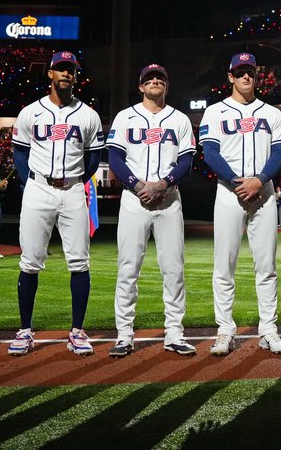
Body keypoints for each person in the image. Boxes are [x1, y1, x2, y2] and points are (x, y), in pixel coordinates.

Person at [9, 50, 104, 357]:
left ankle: (77, 331)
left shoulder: (88, 114)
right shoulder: (29, 112)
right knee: (30, 261)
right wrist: (30, 182)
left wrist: (74, 180)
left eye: (71, 70)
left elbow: (93, 158)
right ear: (49, 74)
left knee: (79, 261)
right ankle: (25, 330)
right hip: (38, 188)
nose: (66, 74)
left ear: (76, 76)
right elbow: (20, 152)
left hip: (73, 189)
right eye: (61, 69)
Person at [200, 52, 281, 356]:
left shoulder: (273, 113)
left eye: (250, 71)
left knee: (266, 265)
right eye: (240, 72)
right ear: (230, 77)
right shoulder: (215, 112)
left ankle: (268, 330)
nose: (246, 77)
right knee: (224, 265)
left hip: (263, 192)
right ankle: (225, 329)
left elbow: (279, 153)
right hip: (228, 192)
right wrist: (239, 182)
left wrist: (259, 179)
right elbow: (210, 154)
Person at [106, 64, 197, 357]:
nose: (155, 81)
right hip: (134, 200)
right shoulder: (125, 117)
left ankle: (174, 332)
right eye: (149, 79)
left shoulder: (180, 119)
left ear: (166, 87)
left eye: (160, 78)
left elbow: (186, 162)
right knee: (128, 268)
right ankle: (124, 334)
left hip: (169, 199)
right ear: (141, 86)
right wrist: (137, 185)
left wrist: (163, 184)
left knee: (173, 268)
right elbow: (115, 158)